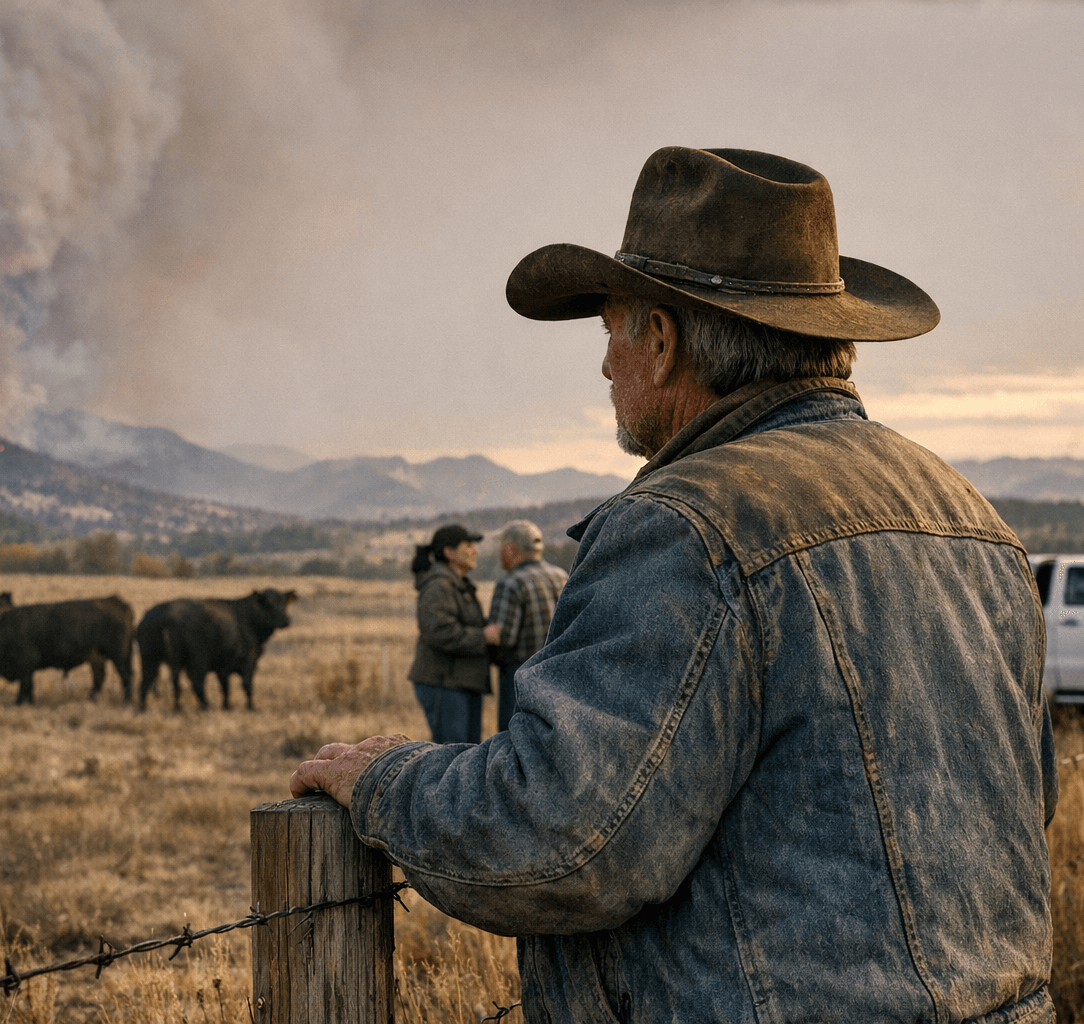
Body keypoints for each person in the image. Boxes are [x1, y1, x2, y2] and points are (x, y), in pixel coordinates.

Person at [292, 147, 1055, 1022]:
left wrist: (390, 781)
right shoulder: (972, 517)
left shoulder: (685, 524)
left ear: (661, 339)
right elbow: (1023, 804)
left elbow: (565, 838)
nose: (604, 366)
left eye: (609, 330)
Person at [408, 523, 491, 744]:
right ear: (449, 552)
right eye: (469, 546)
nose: (475, 550)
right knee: (452, 758)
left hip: (460, 683)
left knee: (466, 754)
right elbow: (440, 632)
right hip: (444, 684)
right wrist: (485, 637)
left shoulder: (457, 584)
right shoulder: (439, 585)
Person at [484, 519, 567, 733]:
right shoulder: (562, 577)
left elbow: (505, 638)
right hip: (557, 675)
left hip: (518, 677)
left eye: (502, 548)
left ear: (511, 549)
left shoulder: (511, 583)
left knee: (512, 740)